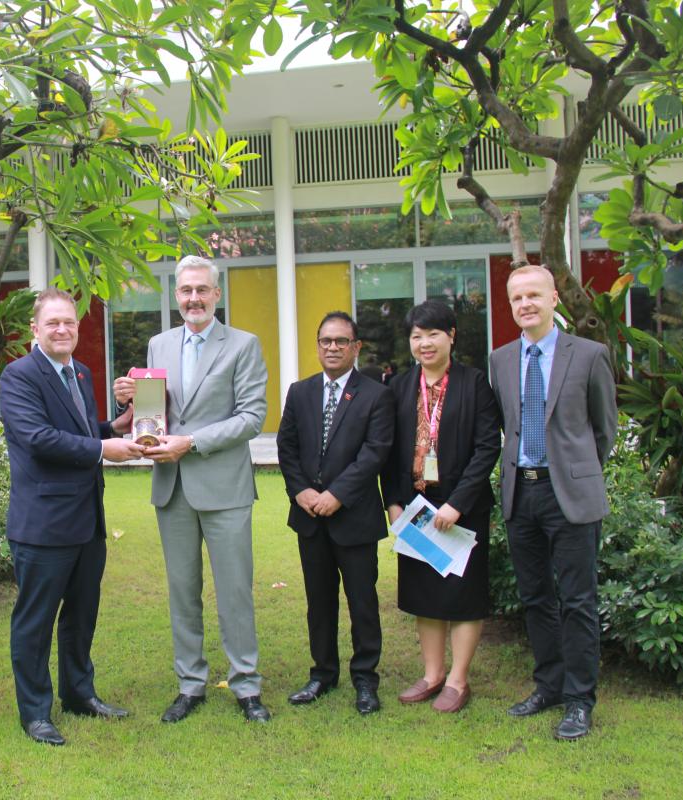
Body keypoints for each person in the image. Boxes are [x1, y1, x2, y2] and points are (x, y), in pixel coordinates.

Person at [113, 255, 271, 724]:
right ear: (175, 295)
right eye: (185, 291)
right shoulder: (158, 345)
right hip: (172, 487)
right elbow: (157, 410)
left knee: (234, 592)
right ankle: (190, 683)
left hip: (223, 485)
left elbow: (251, 417)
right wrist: (132, 397)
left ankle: (246, 685)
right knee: (182, 591)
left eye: (202, 290)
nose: (194, 299)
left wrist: (192, 442)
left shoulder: (244, 345)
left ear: (217, 294)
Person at [0, 288, 144, 746]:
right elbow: (39, 438)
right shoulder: (18, 376)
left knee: (82, 615)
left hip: (87, 520)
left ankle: (79, 694)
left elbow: (76, 431)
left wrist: (112, 428)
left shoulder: (78, 372)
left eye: (70, 323)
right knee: (36, 621)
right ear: (35, 330)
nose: (63, 330)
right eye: (53, 323)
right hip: (43, 523)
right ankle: (36, 712)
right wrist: (104, 448)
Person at [490, 264, 617, 740]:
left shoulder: (588, 355)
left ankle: (581, 700)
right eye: (517, 297)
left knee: (578, 600)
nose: (526, 304)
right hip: (521, 492)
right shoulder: (500, 359)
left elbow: (603, 429)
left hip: (571, 495)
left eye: (534, 296)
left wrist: (575, 469)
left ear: (554, 300)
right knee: (537, 597)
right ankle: (549, 686)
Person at [380, 301, 501, 713]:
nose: (424, 343)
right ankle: (432, 674)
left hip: (462, 510)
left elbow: (488, 448)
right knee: (425, 593)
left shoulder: (474, 383)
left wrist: (457, 503)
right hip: (416, 509)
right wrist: (394, 502)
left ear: (451, 335)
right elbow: (389, 449)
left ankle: (458, 679)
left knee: (463, 593)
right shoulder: (398, 387)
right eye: (417, 336)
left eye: (433, 334)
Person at [276, 311, 394, 716]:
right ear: (317, 344)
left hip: (354, 517)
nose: (332, 348)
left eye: (341, 341)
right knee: (318, 600)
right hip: (310, 517)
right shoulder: (300, 392)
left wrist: (338, 494)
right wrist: (302, 492)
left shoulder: (376, 394)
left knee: (362, 602)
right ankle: (322, 673)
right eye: (325, 341)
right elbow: (286, 449)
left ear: (355, 347)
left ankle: (365, 678)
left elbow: (375, 452)